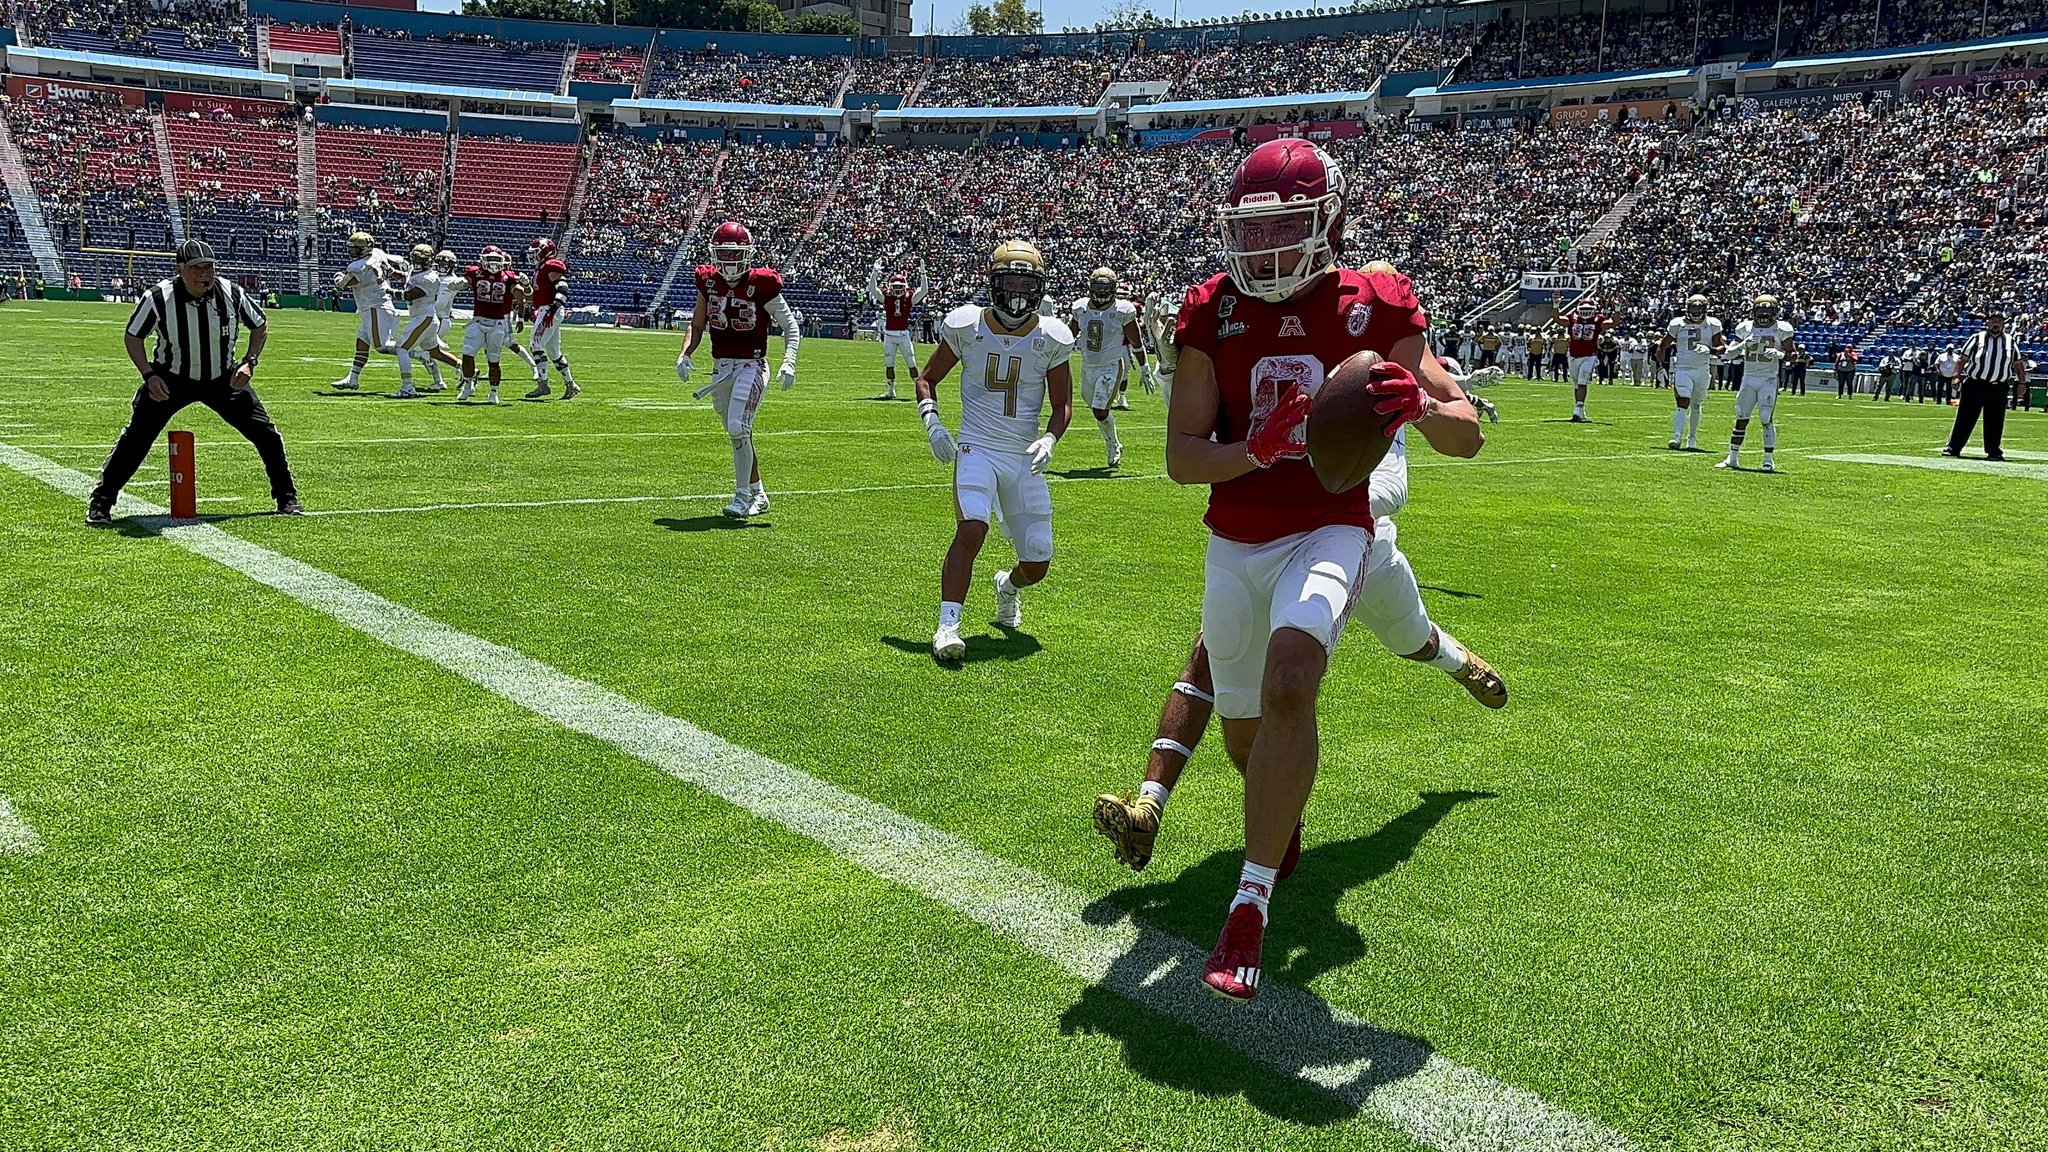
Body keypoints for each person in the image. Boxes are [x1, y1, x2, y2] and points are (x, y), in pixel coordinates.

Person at [1159, 141, 1483, 1003]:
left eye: (1283, 224)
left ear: (1327, 221)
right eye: (1252, 225)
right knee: (1242, 733)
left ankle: (1248, 906)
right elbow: (1182, 459)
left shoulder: (1374, 302)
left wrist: (1420, 403)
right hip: (1237, 537)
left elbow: (1466, 430)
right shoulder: (1208, 308)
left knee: (1293, 681)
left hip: (1330, 524)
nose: (1264, 243)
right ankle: (1279, 819)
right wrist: (1251, 450)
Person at [914, 240, 1074, 660]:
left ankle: (1006, 586)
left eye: (1027, 283)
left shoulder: (1052, 335)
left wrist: (1050, 438)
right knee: (972, 528)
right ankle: (948, 625)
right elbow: (927, 378)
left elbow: (1062, 404)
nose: (1018, 292)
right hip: (977, 446)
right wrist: (933, 423)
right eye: (1011, 281)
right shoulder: (969, 325)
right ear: (994, 284)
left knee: (1037, 562)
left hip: (1023, 455)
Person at [86, 240, 300, 526]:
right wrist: (149, 375)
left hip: (223, 378)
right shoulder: (158, 297)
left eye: (208, 267)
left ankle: (287, 497)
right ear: (180, 270)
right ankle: (101, 501)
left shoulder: (231, 293)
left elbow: (259, 325)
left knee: (266, 434)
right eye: (195, 268)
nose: (203, 274)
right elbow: (133, 336)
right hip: (171, 378)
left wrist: (250, 361)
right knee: (137, 438)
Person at [675, 221, 802, 520]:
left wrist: (789, 360)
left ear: (747, 253)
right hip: (720, 368)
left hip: (751, 365)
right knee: (739, 434)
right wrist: (684, 353)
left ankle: (742, 498)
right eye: (723, 253)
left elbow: (790, 326)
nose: (730, 261)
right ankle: (758, 493)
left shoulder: (762, 283)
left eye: (735, 254)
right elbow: (697, 324)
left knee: (737, 428)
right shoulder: (707, 281)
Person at [1067, 266, 1153, 470]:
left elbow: (1136, 341)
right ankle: (1113, 440)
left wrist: (1145, 367)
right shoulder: (1080, 308)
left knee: (1099, 410)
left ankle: (1113, 443)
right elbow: (1068, 336)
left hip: (1111, 365)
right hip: (1088, 366)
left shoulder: (1122, 310)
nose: (1102, 292)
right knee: (1095, 408)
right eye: (1098, 287)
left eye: (1106, 288)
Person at [1717, 294, 1798, 473]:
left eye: (1767, 311)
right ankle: (1732, 458)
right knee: (1741, 417)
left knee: (1765, 418)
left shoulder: (1782, 329)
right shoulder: (1745, 327)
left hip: (1768, 378)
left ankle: (1768, 460)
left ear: (1775, 312)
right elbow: (1728, 354)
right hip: (1748, 377)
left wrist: (1781, 355)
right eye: (1760, 310)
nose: (1763, 315)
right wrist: (1744, 344)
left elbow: (1793, 354)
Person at [328, 231, 403, 391]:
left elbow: (342, 284)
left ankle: (418, 353)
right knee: (361, 343)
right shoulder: (377, 253)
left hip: (376, 307)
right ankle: (352, 379)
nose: (351, 252)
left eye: (355, 249)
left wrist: (337, 277)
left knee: (381, 347)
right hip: (373, 306)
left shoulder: (358, 267)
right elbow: (394, 263)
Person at [1944, 313, 2025, 461]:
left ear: (2003, 324)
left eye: (1999, 321)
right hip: (1975, 384)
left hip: (1998, 387)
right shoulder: (1976, 338)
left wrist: (2022, 383)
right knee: (1965, 417)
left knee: (1996, 420)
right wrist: (1956, 376)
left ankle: (1993, 450)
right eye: (1993, 320)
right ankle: (1953, 447)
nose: (1996, 324)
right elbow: (1963, 359)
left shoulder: (2010, 341)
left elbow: (2018, 364)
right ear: (1988, 323)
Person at [1661, 294, 1724, 451]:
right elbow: (1664, 345)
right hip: (1683, 368)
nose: (1696, 312)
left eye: (1699, 308)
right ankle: (1676, 437)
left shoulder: (1712, 324)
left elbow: (1722, 348)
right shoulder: (1677, 323)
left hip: (1702, 369)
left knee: (1696, 404)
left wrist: (1711, 349)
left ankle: (1692, 438)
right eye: (1693, 308)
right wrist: (1661, 365)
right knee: (1683, 402)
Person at [524, 236, 579, 400]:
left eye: (536, 252)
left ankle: (543, 384)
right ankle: (571, 385)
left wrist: (553, 309)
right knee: (554, 351)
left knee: (535, 344)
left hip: (550, 309)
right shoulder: (541, 267)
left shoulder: (550, 266)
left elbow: (563, 287)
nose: (533, 255)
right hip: (547, 308)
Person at [867, 255, 928, 400]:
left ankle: (919, 390)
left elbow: (924, 291)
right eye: (895, 287)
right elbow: (872, 289)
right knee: (889, 363)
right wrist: (874, 273)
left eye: (900, 287)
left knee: (911, 362)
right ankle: (890, 391)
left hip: (903, 334)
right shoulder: (887, 296)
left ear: (905, 287)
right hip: (889, 334)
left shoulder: (909, 297)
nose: (897, 290)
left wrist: (923, 274)